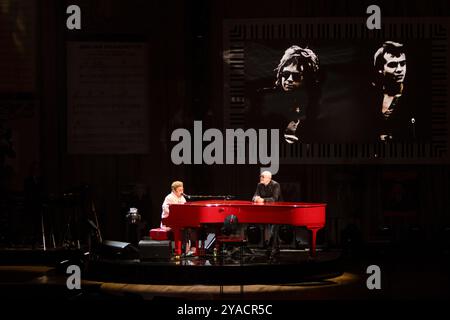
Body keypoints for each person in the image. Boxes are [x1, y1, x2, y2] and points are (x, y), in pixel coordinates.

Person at [274, 45, 321, 144]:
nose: (289, 79)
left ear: (308, 79)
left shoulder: (315, 107)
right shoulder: (269, 103)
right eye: (286, 74)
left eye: (296, 76)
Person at [371, 41, 415, 142]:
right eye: (393, 65)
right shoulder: (371, 95)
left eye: (403, 64)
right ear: (380, 69)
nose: (400, 69)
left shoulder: (414, 97)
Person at [252, 171, 283, 259]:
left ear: (269, 178)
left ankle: (273, 249)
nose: (260, 178)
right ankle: (274, 248)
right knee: (270, 229)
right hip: (267, 211)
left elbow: (274, 199)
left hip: (278, 210)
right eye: (260, 176)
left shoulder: (276, 185)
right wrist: (256, 198)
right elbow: (254, 196)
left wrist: (263, 200)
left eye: (262, 176)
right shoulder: (259, 185)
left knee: (274, 229)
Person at [160, 181, 195, 255]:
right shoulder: (169, 197)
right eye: (179, 190)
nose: (182, 192)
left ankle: (187, 250)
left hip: (179, 221)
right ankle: (179, 250)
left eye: (182, 190)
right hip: (168, 222)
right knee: (182, 230)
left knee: (189, 229)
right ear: (174, 190)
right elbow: (165, 209)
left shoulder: (182, 198)